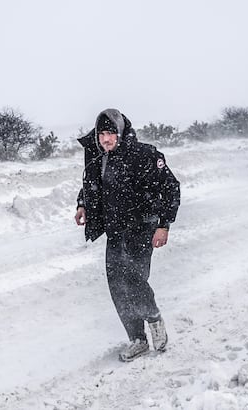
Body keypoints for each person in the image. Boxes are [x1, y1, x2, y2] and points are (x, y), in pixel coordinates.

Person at [74, 108, 180, 362]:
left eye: (110, 133)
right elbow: (91, 185)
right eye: (101, 134)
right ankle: (137, 339)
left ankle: (153, 318)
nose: (105, 139)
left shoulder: (144, 155)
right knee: (117, 287)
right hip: (115, 230)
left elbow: (171, 187)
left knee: (133, 280)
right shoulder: (99, 157)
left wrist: (164, 225)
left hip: (142, 228)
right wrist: (83, 205)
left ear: (121, 132)